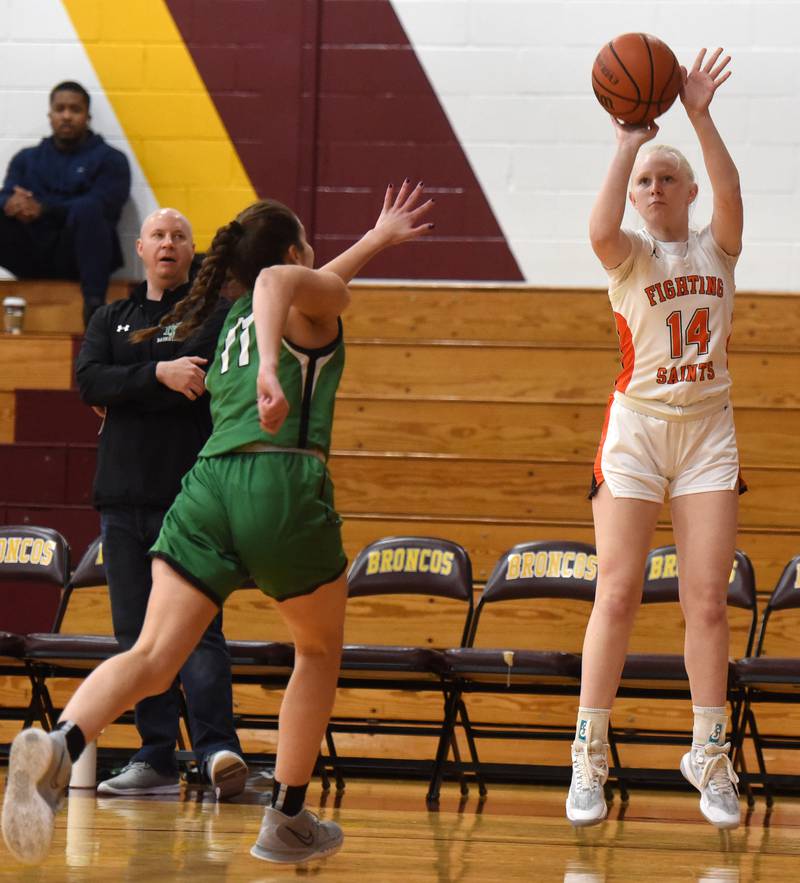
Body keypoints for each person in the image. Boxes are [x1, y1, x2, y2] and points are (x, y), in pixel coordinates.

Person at [1, 179, 433, 866]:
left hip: (204, 488)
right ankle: (287, 815)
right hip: (279, 480)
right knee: (317, 652)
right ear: (291, 251)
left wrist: (376, 240)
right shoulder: (279, 298)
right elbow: (285, 285)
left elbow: (294, 284)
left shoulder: (226, 317)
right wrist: (270, 367)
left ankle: (60, 745)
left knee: (150, 654)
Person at [566, 49, 744, 830]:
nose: (655, 187)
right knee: (619, 590)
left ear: (689, 191)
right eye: (646, 180)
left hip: (708, 429)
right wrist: (627, 142)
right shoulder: (626, 255)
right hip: (637, 428)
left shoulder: (717, 245)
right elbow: (597, 222)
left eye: (667, 177)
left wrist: (698, 117)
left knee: (708, 602)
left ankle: (709, 750)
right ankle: (588, 751)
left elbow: (732, 188)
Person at [75, 207, 247, 799]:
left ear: (192, 251)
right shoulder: (111, 317)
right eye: (158, 235)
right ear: (141, 249)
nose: (168, 243)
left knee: (199, 633)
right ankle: (154, 757)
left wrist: (135, 385)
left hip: (191, 501)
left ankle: (218, 753)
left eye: (179, 236)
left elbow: (197, 376)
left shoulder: (214, 316)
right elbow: (90, 380)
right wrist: (156, 376)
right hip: (122, 498)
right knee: (134, 634)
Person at [0, 81, 131, 326]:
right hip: (34, 253)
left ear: (88, 116)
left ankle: (93, 308)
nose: (67, 116)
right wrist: (11, 202)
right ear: (50, 115)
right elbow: (6, 194)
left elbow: (104, 205)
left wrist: (44, 209)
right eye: (60, 109)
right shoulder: (26, 159)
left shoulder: (111, 160)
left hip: (82, 258)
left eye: (75, 109)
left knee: (88, 209)